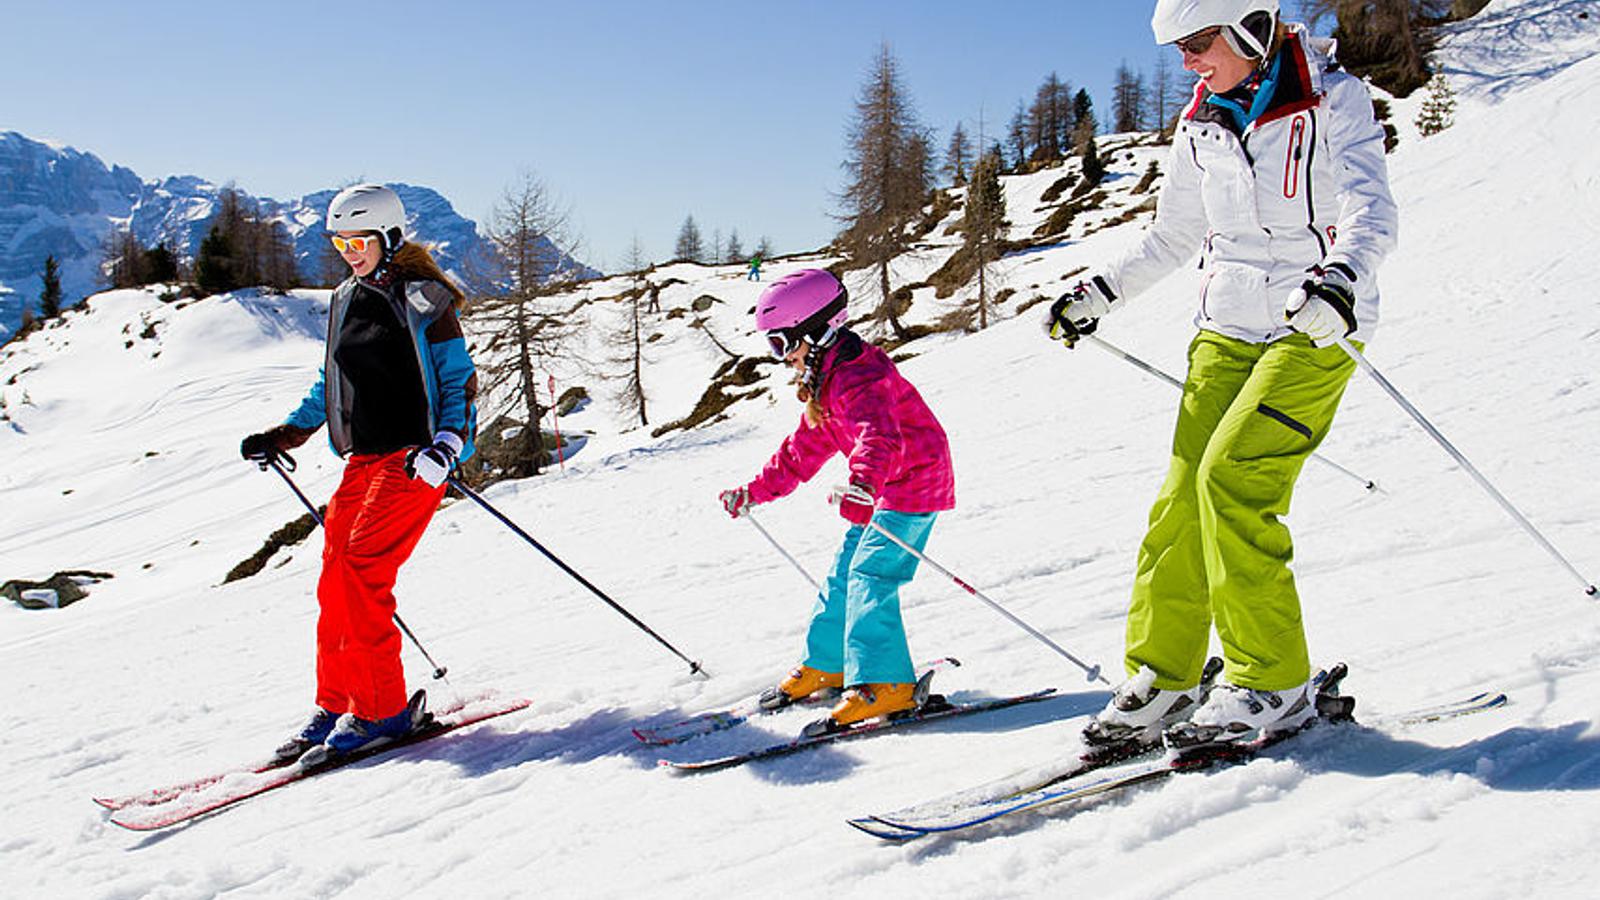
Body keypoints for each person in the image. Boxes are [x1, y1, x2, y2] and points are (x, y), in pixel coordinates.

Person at [1043, 0, 1397, 751]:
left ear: (1250, 28)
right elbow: (1175, 233)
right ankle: (1165, 676)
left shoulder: (1334, 98)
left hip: (1316, 322)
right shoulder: (1201, 123)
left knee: (1231, 481)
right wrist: (1099, 293)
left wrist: (1342, 279)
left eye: (1199, 42)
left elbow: (1372, 209)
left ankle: (1273, 681)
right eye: (1178, 48)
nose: (1188, 62)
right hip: (1227, 326)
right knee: (1179, 500)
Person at [240, 183, 479, 762]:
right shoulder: (346, 297)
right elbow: (333, 381)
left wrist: (448, 445)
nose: (349, 250)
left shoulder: (426, 300)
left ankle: (382, 712)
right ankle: (338, 701)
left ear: (389, 238)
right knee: (333, 579)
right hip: (363, 461)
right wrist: (288, 432)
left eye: (359, 240)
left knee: (361, 572)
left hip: (413, 461)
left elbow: (459, 381)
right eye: (340, 240)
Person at [719, 269, 955, 730]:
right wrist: (754, 492)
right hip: (882, 487)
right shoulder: (828, 380)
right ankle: (829, 663)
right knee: (846, 573)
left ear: (817, 331)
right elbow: (801, 451)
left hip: (913, 481)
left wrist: (864, 484)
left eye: (783, 344)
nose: (781, 358)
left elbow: (878, 433)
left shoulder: (862, 376)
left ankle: (886, 685)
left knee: (871, 572)